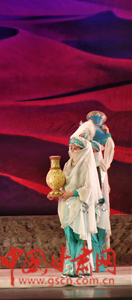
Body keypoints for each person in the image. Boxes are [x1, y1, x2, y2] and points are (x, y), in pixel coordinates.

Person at [49, 120, 100, 277]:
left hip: (79, 204)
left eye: (75, 148)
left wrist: (72, 194)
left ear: (83, 150)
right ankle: (69, 267)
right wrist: (55, 192)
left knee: (80, 236)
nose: (72, 150)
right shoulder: (67, 164)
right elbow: (62, 184)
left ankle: (79, 267)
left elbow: (88, 187)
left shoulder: (85, 165)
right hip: (66, 205)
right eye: (71, 147)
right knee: (69, 237)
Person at [85, 111, 115, 271]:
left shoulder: (103, 167)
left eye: (96, 151)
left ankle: (100, 262)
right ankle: (88, 261)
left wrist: (108, 136)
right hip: (88, 197)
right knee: (88, 226)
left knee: (101, 224)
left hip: (101, 198)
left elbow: (110, 150)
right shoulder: (85, 163)